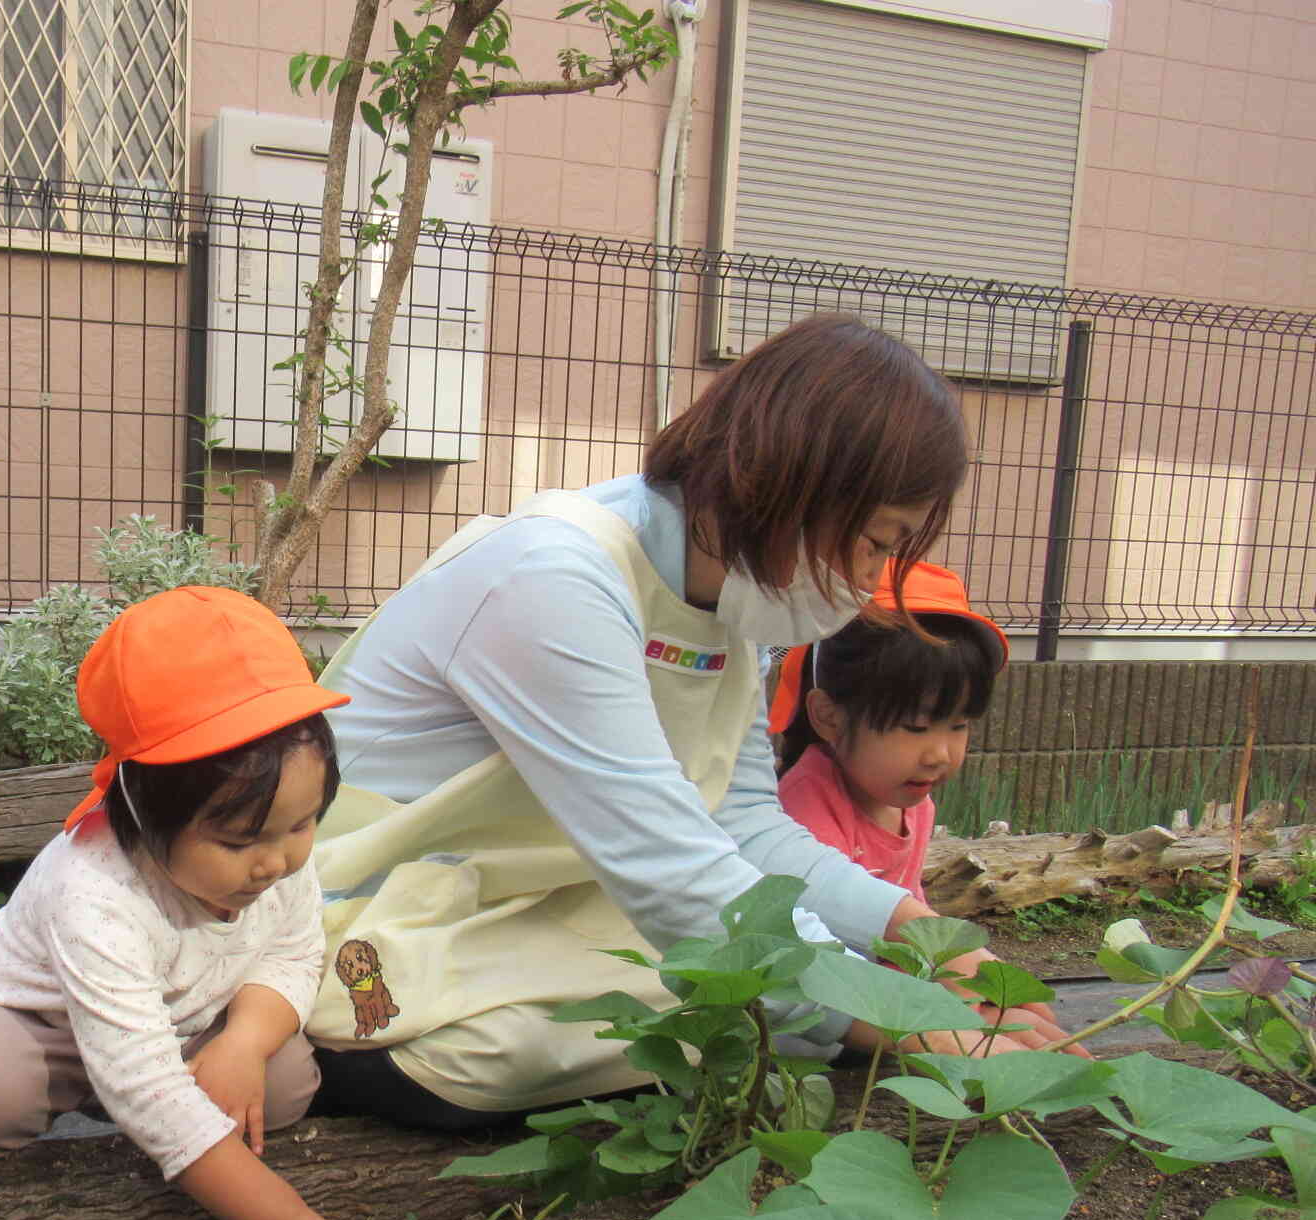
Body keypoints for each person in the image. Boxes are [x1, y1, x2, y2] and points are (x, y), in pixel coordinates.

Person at [304, 313, 1081, 1133]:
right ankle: (328, 1046)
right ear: (795, 488)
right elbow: (666, 861)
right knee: (528, 1048)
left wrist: (925, 937)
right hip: (380, 899)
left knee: (759, 1000)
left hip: (530, 897)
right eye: (873, 542)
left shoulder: (740, 601)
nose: (869, 578)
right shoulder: (556, 578)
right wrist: (901, 1015)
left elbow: (743, 826)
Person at [0, 586, 384, 1220]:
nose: (275, 862)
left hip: (185, 1022)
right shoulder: (92, 890)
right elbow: (145, 1084)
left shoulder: (277, 856)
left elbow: (291, 955)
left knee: (282, 1086)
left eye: (303, 824)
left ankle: (199, 1114)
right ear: (146, 813)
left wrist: (246, 1043)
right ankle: (23, 1087)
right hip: (44, 1029)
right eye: (238, 841)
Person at [771, 558, 1006, 906]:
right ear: (829, 717)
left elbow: (911, 907)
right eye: (916, 727)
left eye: (959, 725)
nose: (940, 755)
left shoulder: (915, 805)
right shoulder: (806, 811)